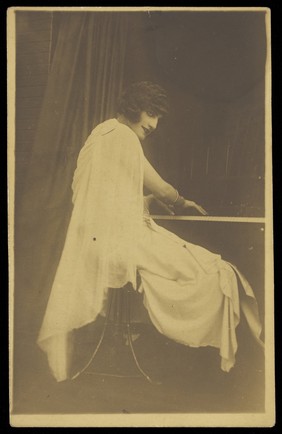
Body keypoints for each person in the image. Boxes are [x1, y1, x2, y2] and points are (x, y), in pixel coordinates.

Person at [37, 81, 263, 382]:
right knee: (214, 269)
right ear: (134, 108)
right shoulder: (124, 137)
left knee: (200, 264)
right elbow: (160, 185)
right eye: (151, 114)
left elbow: (101, 196)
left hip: (94, 242)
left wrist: (144, 201)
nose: (154, 124)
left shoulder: (99, 134)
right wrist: (181, 201)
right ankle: (231, 357)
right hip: (122, 244)